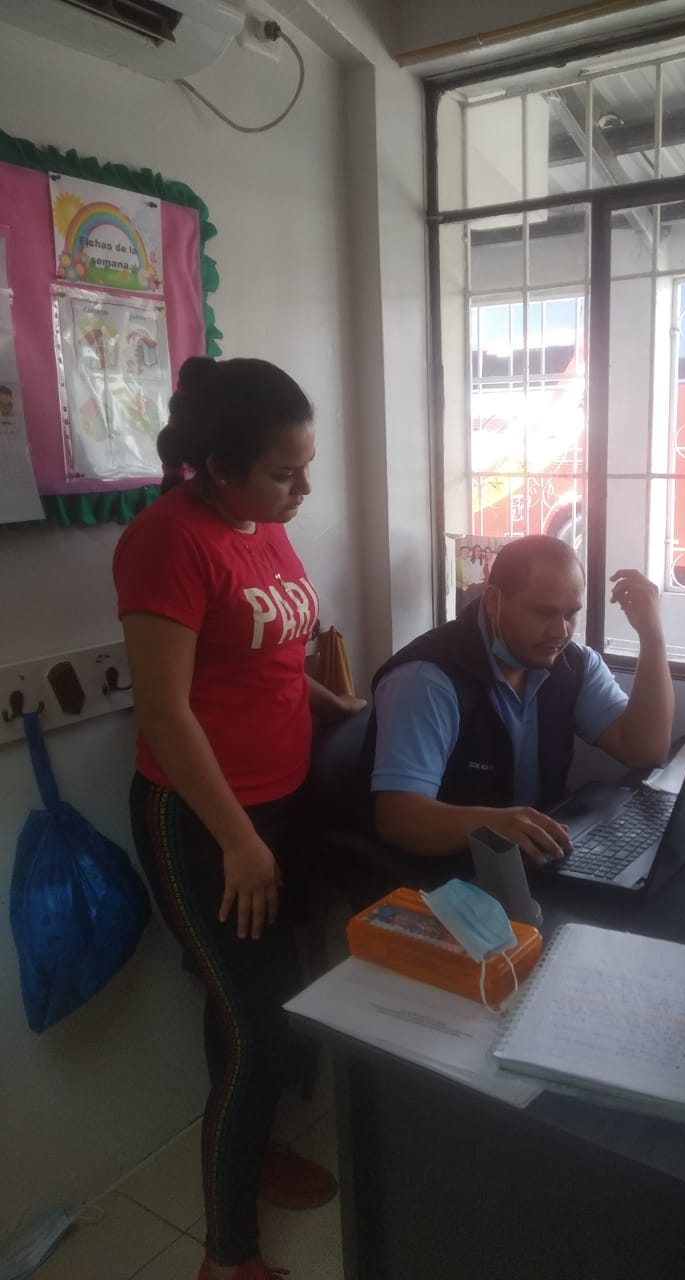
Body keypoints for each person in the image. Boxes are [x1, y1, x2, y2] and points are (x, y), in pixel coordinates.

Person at [113, 356, 364, 1280]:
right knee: (256, 1031)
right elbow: (165, 713)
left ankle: (254, 1151)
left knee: (260, 1009)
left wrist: (333, 707)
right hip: (205, 826)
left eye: (307, 467)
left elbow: (269, 654)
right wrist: (239, 841)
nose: (304, 490)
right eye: (285, 473)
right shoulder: (165, 542)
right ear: (218, 467)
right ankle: (227, 1258)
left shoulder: (262, 526)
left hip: (278, 808)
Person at [367, 534, 674, 864]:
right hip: (446, 874)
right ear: (493, 600)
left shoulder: (573, 664)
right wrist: (494, 824)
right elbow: (399, 819)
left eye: (571, 614)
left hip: (530, 860)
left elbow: (644, 750)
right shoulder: (428, 679)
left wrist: (651, 636)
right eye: (543, 613)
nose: (560, 631)